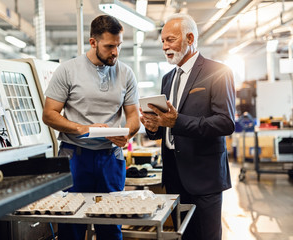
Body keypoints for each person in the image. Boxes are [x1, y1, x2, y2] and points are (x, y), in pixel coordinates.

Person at [42, 15, 140, 240]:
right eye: (109, 46)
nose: (115, 52)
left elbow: (133, 115)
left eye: (119, 46)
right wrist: (82, 128)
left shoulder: (126, 73)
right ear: (93, 42)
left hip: (110, 158)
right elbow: (49, 114)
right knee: (71, 224)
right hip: (75, 157)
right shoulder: (67, 71)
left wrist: (127, 133)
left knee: (111, 225)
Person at [139, 13, 235, 240]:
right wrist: (153, 126)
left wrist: (177, 121)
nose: (164, 46)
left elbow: (226, 122)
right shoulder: (167, 78)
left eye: (170, 40)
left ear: (190, 38)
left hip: (204, 176)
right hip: (174, 176)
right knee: (184, 236)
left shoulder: (218, 72)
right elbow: (166, 127)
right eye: (162, 41)